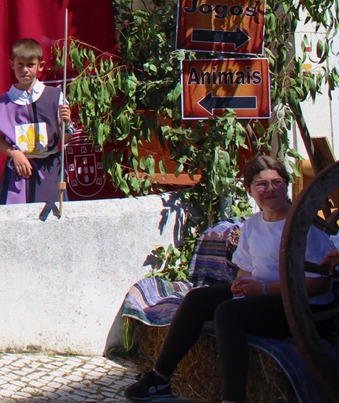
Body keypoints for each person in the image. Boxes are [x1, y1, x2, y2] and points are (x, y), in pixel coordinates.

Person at [125, 155, 337, 403]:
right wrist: (240, 283)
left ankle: (233, 398)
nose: (270, 190)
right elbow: (246, 268)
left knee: (228, 313)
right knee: (197, 299)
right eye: (261, 184)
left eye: (277, 182)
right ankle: (160, 379)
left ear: (286, 185)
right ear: (249, 189)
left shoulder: (303, 226)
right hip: (264, 294)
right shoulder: (253, 225)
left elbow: (321, 283)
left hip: (302, 307)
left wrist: (264, 289)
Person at [0, 38, 71, 205]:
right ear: (12, 64)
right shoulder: (2, 103)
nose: (25, 70)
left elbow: (65, 138)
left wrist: (66, 124)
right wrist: (15, 153)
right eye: (20, 64)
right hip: (18, 172)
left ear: (40, 66)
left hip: (50, 170)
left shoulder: (55, 96)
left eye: (30, 65)